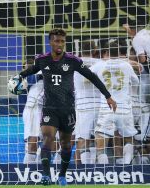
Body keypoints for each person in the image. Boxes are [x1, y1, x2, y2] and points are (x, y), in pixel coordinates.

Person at [17, 28, 116, 185]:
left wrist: (108, 96)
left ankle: (62, 175)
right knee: (47, 138)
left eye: (62, 41)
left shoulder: (73, 61)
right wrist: (19, 76)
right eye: (57, 41)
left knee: (65, 144)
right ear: (50, 42)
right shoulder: (42, 60)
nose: (60, 44)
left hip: (68, 110)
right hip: (49, 108)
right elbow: (31, 70)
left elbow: (92, 76)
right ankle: (46, 175)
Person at [91, 41, 139, 164]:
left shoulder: (100, 65)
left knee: (101, 139)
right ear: (119, 52)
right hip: (124, 108)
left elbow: (86, 75)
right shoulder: (126, 65)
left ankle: (104, 172)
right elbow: (136, 82)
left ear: (107, 52)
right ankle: (128, 166)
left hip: (107, 107)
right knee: (128, 138)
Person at [73, 40, 101, 164]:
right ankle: (100, 174)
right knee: (100, 140)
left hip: (82, 106)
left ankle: (84, 173)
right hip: (100, 106)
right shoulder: (101, 63)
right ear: (95, 51)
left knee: (83, 139)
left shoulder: (73, 63)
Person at [22, 69, 45, 164]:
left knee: (51, 144)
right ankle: (26, 174)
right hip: (34, 108)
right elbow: (30, 79)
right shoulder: (38, 73)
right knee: (32, 144)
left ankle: (42, 172)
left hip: (49, 109)